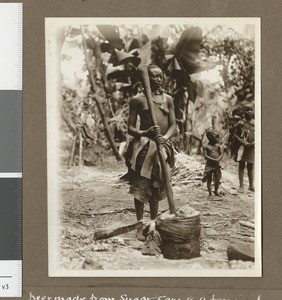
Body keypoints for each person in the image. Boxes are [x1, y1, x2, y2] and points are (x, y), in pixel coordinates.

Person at [125, 65, 176, 240]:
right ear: (146, 78)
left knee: (157, 184)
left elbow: (173, 125)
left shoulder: (167, 99)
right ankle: (140, 224)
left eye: (160, 76)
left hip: (162, 146)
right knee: (141, 185)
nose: (159, 79)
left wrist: (165, 138)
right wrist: (144, 133)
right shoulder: (137, 100)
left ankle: (153, 223)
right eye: (154, 76)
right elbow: (130, 127)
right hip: (143, 147)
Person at [234, 104, 255, 193]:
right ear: (244, 112)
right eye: (247, 110)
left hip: (252, 147)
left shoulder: (256, 123)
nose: (249, 112)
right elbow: (235, 135)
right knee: (241, 165)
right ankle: (241, 186)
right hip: (242, 147)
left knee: (250, 166)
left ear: (253, 111)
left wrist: (254, 142)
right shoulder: (241, 123)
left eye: (251, 110)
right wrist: (243, 142)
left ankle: (251, 185)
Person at [202, 129, 223, 198]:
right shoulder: (206, 146)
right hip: (209, 165)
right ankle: (210, 193)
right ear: (210, 137)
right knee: (209, 179)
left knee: (217, 179)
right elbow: (205, 156)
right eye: (216, 137)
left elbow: (221, 154)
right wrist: (214, 159)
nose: (217, 139)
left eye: (218, 137)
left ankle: (216, 191)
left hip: (216, 165)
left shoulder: (218, 146)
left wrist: (219, 159)